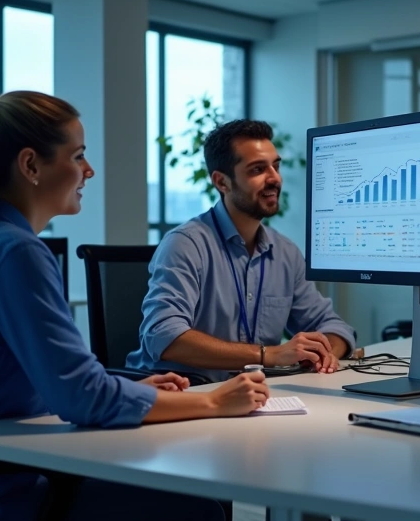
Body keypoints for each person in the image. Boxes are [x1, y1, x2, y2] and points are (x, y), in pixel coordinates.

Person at [0, 91, 270, 521]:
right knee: (198, 509)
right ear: (31, 166)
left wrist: (122, 387)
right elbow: (78, 398)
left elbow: (50, 384)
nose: (88, 170)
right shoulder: (15, 252)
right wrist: (212, 400)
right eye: (78, 156)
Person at [128, 119, 356, 383]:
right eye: (258, 169)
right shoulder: (185, 244)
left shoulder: (285, 253)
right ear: (222, 182)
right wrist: (268, 355)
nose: (275, 178)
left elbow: (336, 327)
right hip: (181, 395)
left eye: (276, 166)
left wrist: (323, 352)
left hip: (250, 397)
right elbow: (164, 337)